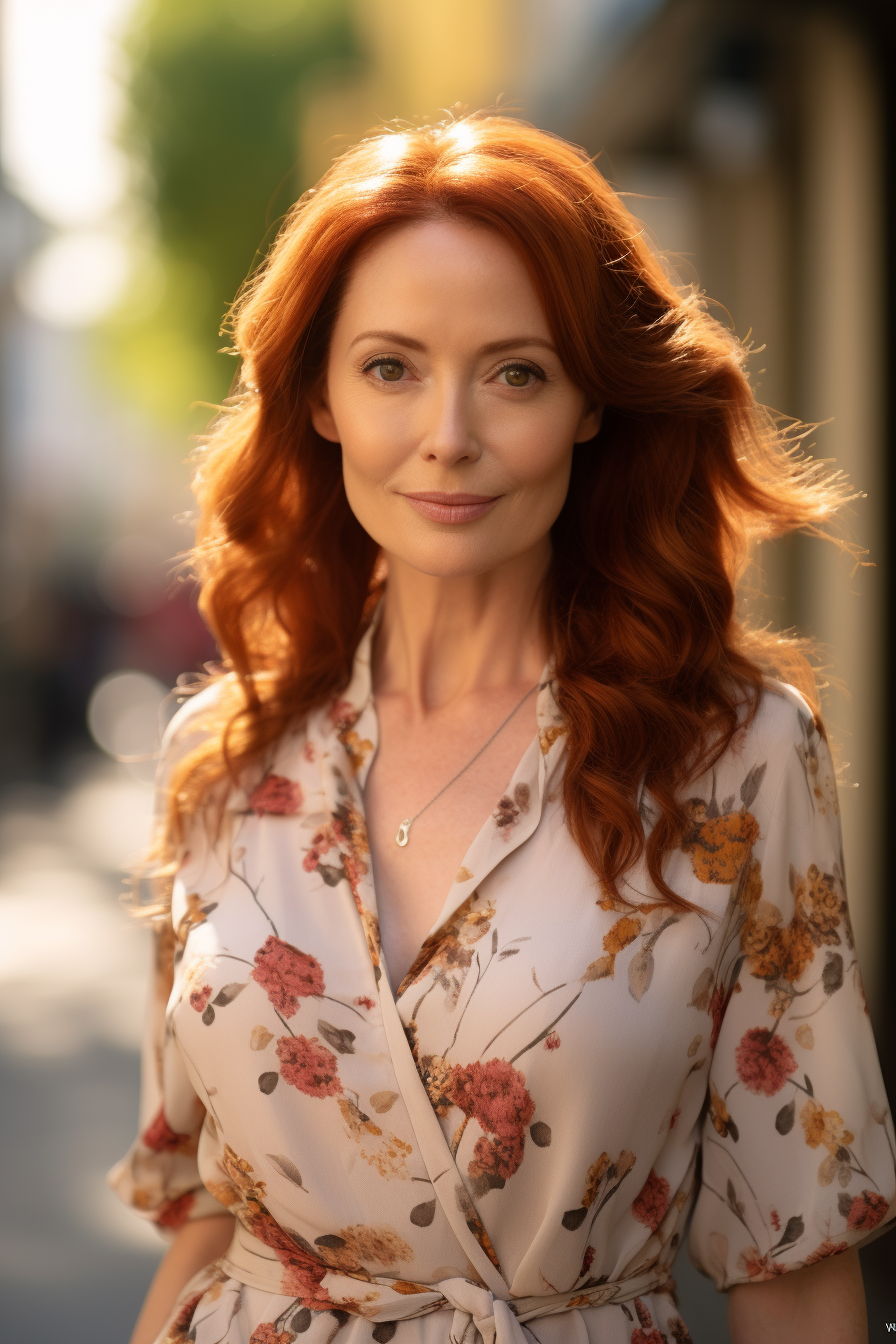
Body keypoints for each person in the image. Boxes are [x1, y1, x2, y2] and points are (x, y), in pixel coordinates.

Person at [109, 112, 895, 1344]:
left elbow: (789, 1260)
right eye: (390, 367)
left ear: (591, 401)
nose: (449, 436)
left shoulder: (734, 755)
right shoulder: (223, 757)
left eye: (515, 371)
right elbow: (208, 1223)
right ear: (318, 396)